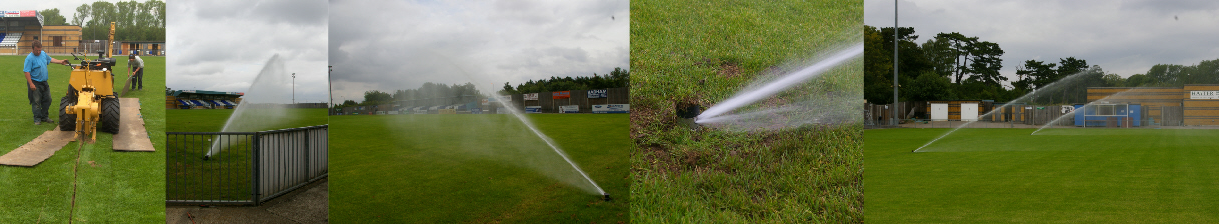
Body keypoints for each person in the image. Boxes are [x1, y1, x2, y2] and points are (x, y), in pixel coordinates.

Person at [23, 40, 70, 125]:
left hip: (44, 82)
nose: (38, 52)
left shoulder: (43, 54)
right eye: (37, 50)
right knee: (36, 101)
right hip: (35, 82)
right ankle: (37, 119)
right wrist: (31, 84)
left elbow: (50, 59)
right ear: (32, 49)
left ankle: (44, 117)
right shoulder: (29, 58)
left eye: (40, 50)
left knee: (48, 99)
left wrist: (60, 62)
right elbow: (26, 72)